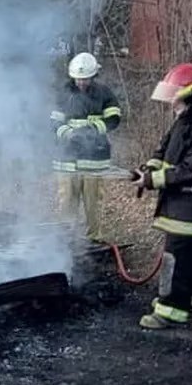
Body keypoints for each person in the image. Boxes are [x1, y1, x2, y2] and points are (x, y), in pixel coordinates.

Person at [132, 63, 192, 330]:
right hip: (182, 204)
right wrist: (150, 167)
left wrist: (151, 181)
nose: (171, 103)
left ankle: (170, 310)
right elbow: (164, 149)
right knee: (190, 258)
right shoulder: (185, 121)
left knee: (175, 257)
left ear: (190, 96)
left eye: (174, 97)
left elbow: (188, 171)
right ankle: (190, 300)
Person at [51, 52, 122, 243]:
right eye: (78, 79)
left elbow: (114, 119)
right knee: (66, 203)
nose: (81, 82)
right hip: (66, 160)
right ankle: (66, 241)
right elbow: (53, 123)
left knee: (93, 205)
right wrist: (68, 133)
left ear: (93, 76)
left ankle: (94, 239)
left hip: (94, 160)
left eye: (85, 79)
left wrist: (93, 130)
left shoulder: (104, 94)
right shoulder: (63, 94)